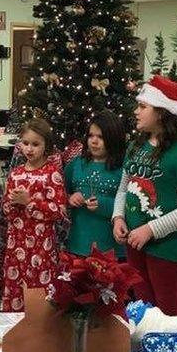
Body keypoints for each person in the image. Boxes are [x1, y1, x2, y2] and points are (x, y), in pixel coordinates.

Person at [112, 76, 177, 317]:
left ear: (162, 112)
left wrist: (151, 229)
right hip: (135, 243)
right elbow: (124, 188)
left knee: (168, 311)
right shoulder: (135, 147)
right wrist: (118, 217)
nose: (136, 112)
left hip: (167, 247)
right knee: (144, 309)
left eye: (143, 107)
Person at [1, 118, 67, 312]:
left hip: (41, 247)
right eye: (26, 143)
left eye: (36, 144)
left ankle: (40, 333)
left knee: (39, 291)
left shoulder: (51, 174)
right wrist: (13, 204)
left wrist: (30, 202)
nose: (30, 149)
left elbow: (58, 211)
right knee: (15, 290)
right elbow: (6, 210)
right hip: (16, 245)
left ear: (46, 145)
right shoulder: (16, 173)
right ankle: (15, 332)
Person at [64, 110, 126, 259]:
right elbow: (58, 194)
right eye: (91, 136)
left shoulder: (123, 168)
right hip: (77, 246)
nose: (94, 141)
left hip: (111, 250)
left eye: (101, 137)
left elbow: (131, 205)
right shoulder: (76, 164)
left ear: (113, 139)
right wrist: (70, 198)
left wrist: (103, 205)